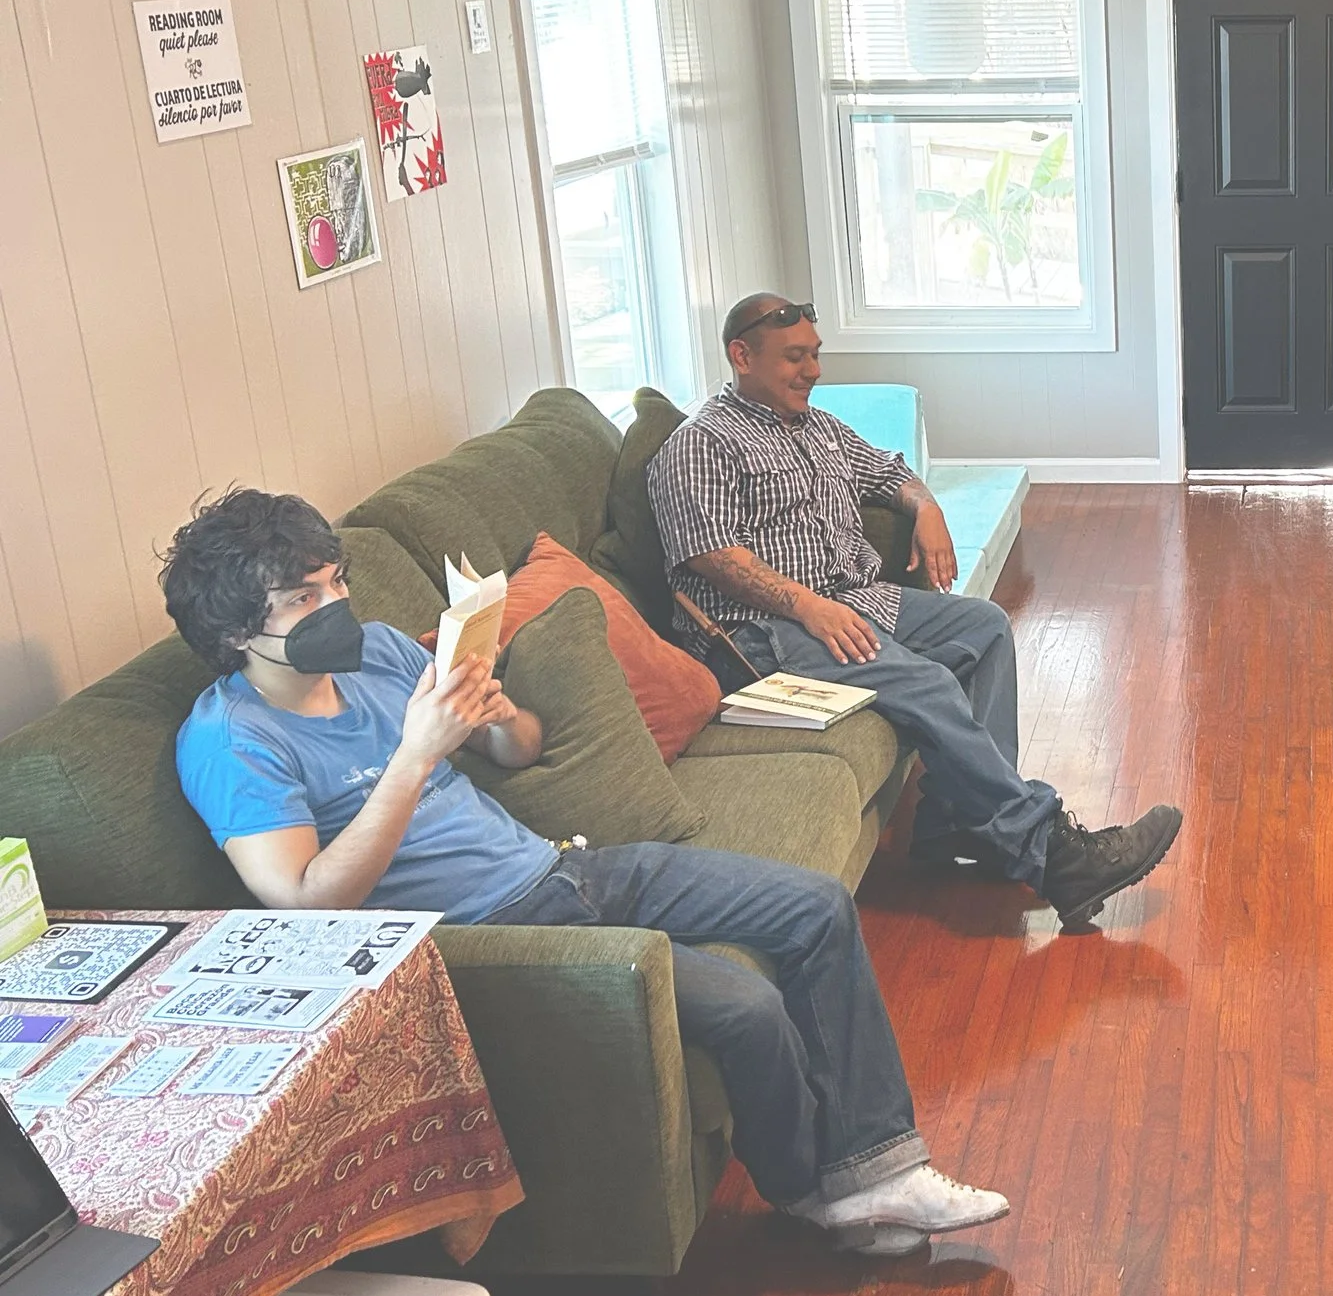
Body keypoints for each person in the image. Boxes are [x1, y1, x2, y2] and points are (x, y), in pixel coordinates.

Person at [163, 489, 1005, 1257]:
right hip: (490, 935)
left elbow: (521, 748)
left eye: (337, 582)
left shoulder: (377, 653)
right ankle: (813, 1194)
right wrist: (414, 757)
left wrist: (495, 718)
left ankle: (879, 1166)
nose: (337, 607)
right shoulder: (232, 741)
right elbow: (307, 899)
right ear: (236, 630)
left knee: (814, 906)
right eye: (303, 598)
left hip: (563, 867)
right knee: (750, 1008)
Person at [648, 293, 1184, 932]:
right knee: (927, 682)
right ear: (742, 356)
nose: (813, 371)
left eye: (815, 354)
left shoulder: (817, 427)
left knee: (984, 627)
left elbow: (888, 472)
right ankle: (1054, 854)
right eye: (794, 358)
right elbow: (709, 553)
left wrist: (926, 508)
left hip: (851, 601)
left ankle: (957, 825)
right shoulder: (701, 443)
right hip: (761, 636)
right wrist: (808, 606)